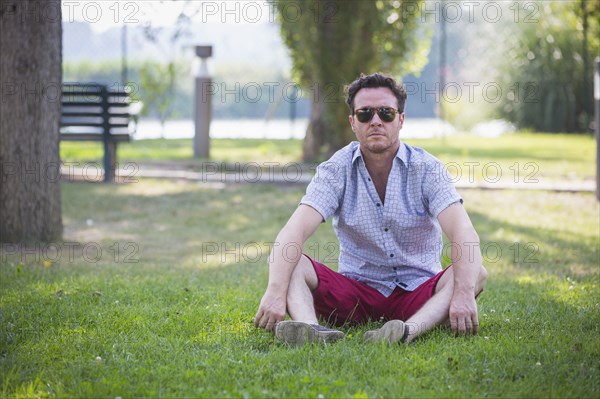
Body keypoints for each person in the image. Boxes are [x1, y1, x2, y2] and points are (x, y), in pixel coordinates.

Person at [253, 72, 487, 346]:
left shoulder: (428, 169)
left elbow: (463, 234)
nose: (376, 121)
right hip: (356, 295)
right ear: (353, 123)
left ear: (400, 120)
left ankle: (406, 332)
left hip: (417, 293)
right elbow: (293, 231)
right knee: (292, 263)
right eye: (365, 114)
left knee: (475, 273)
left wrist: (463, 293)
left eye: (386, 113)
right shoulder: (335, 170)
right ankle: (309, 330)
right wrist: (274, 291)